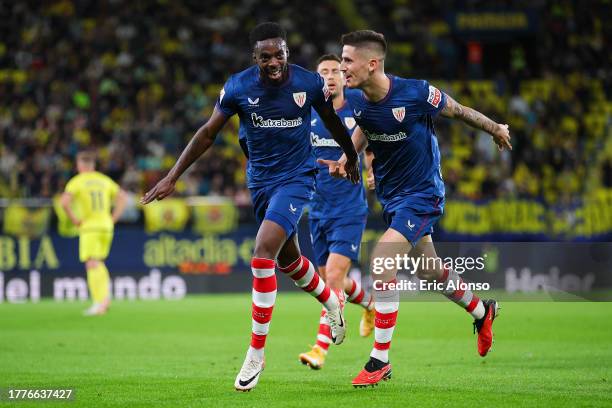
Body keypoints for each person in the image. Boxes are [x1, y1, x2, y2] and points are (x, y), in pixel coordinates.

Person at [140, 22, 360, 392]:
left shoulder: (308, 84)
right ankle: (331, 302)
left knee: (262, 254)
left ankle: (256, 353)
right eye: (266, 56)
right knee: (289, 262)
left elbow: (334, 123)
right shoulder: (239, 87)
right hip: (260, 182)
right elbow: (208, 132)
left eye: (280, 54)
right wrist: (172, 176)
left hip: (297, 179)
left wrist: (351, 156)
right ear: (254, 58)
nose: (274, 62)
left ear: (287, 53)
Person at [318, 30, 512, 387]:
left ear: (371, 63)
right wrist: (349, 157)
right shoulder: (358, 101)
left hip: (423, 194)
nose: (342, 67)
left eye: (347, 60)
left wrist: (495, 128)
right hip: (393, 198)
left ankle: (380, 361)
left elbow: (459, 111)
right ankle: (483, 311)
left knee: (381, 261)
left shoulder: (417, 92)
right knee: (429, 271)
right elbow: (363, 128)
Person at [299, 54, 375, 370]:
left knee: (331, 278)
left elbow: (372, 138)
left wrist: (371, 169)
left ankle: (320, 348)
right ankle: (370, 304)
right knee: (331, 280)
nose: (330, 76)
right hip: (317, 210)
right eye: (324, 72)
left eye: (335, 71)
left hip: (349, 209)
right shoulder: (308, 111)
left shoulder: (358, 106)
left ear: (344, 77)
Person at [61, 150, 128, 316]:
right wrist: (114, 217)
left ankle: (99, 303)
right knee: (98, 262)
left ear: (80, 165)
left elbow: (64, 202)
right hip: (106, 226)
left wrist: (75, 220)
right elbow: (123, 197)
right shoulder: (104, 180)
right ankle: (104, 300)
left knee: (91, 263)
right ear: (93, 165)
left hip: (90, 227)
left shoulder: (77, 181)